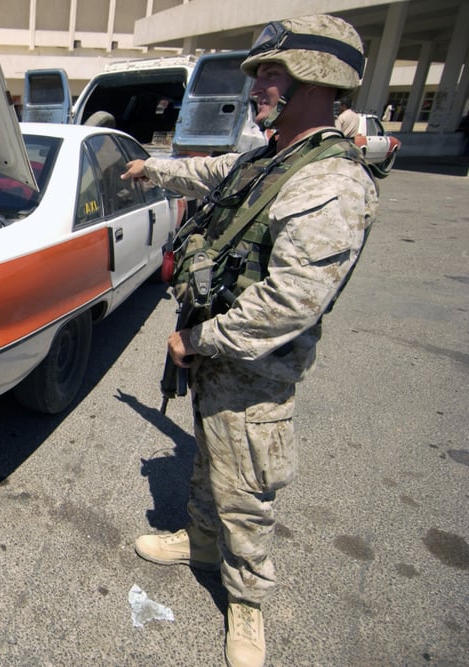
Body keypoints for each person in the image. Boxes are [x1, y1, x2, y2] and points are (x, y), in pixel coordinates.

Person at [121, 15, 377, 667]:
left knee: (248, 488)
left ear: (317, 80)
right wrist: (154, 169)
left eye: (271, 73)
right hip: (215, 359)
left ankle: (247, 603)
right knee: (210, 461)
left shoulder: (332, 183)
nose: (258, 86)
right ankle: (201, 541)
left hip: (253, 369)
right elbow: (214, 174)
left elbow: (291, 302)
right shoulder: (269, 159)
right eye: (261, 73)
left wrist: (199, 339)